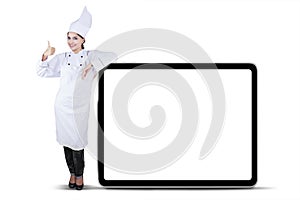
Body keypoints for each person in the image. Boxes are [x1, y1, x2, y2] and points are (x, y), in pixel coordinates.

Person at [37, 7, 116, 190]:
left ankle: (80, 176)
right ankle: (71, 174)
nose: (71, 41)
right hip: (61, 107)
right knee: (65, 142)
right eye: (69, 37)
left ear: (83, 40)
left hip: (79, 108)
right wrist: (45, 56)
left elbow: (114, 56)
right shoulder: (62, 58)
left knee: (77, 143)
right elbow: (42, 71)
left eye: (75, 38)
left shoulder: (90, 56)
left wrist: (93, 66)